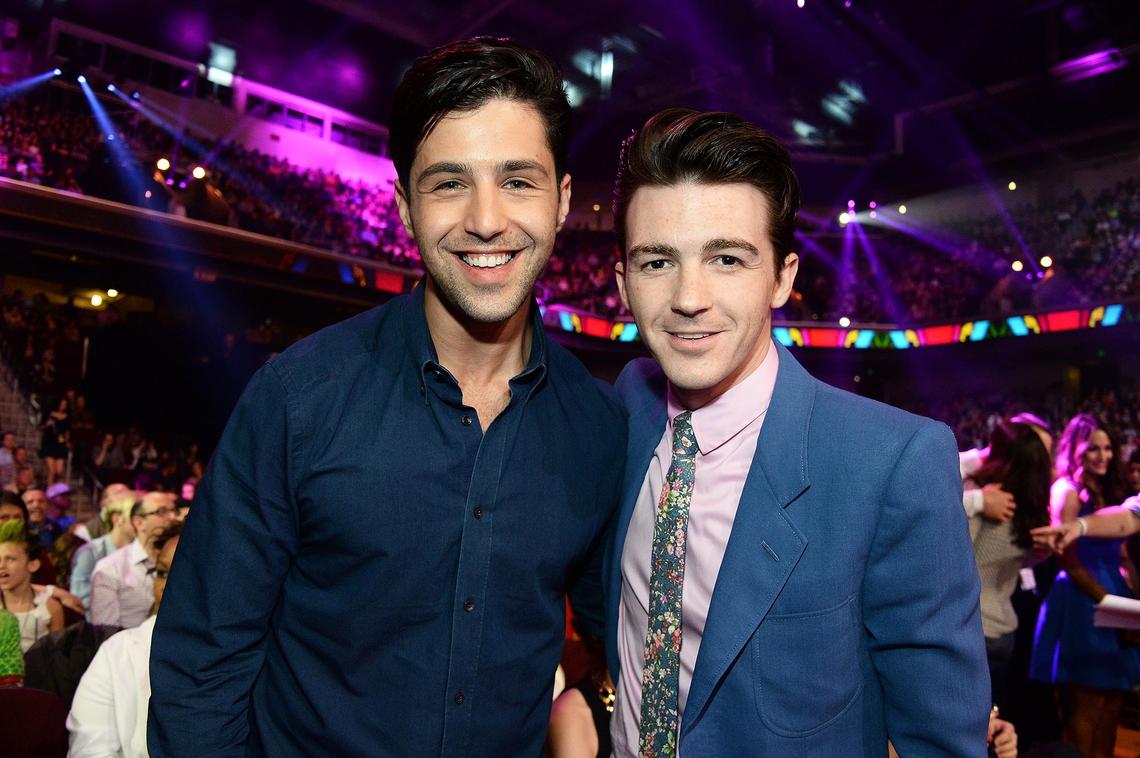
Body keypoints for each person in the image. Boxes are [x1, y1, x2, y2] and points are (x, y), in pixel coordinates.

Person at [149, 37, 625, 756]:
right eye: (449, 183)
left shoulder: (597, 424)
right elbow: (200, 669)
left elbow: (629, 631)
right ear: (404, 204)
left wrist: (595, 705)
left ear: (562, 201)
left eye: (518, 181)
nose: (487, 219)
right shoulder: (299, 399)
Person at [604, 108, 988, 756]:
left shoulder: (893, 461)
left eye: (727, 258)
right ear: (622, 281)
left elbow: (941, 738)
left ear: (783, 276)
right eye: (656, 262)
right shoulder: (628, 412)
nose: (689, 296)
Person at [1029, 414, 1139, 758]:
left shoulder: (1110, 488)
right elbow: (1067, 559)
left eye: (1108, 448)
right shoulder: (1067, 490)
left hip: (1114, 598)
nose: (1102, 455)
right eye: (1093, 448)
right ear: (1075, 449)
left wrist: (1129, 599)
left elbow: (1122, 550)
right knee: (1085, 709)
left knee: (1110, 704)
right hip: (1082, 599)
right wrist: (1106, 600)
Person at [67, 520, 181, 758]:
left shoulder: (248, 652)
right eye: (161, 573)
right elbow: (90, 750)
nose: (167, 586)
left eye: (184, 572)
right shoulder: (118, 653)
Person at [964, 420, 1051, 712]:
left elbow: (959, 558)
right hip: (1003, 630)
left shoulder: (986, 496)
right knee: (994, 722)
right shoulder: (1031, 506)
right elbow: (1020, 559)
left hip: (973, 628)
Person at [89, 492, 173, 628]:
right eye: (161, 512)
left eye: (173, 511)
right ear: (139, 523)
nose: (172, 517)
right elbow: (105, 633)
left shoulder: (186, 563)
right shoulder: (110, 568)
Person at [0, 519, 64, 653]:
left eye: (10, 559)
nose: (2, 566)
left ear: (32, 565)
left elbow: (56, 660)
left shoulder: (51, 608)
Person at [69, 491, 137, 614]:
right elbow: (80, 600)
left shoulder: (140, 552)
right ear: (117, 519)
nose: (140, 522)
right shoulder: (90, 553)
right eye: (135, 517)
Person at [39, 397, 69, 487]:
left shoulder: (67, 416)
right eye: (62, 403)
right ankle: (49, 493)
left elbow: (67, 431)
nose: (63, 406)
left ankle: (53, 489)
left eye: (65, 404)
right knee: (51, 471)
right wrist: (47, 424)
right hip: (49, 443)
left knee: (59, 471)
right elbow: (41, 427)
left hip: (60, 443)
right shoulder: (49, 414)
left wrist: (66, 442)